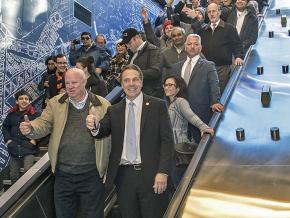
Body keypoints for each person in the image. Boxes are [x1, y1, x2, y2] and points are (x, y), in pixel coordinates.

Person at [19, 68, 111, 218]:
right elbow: (43, 124)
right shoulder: (56, 103)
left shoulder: (103, 104)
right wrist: (31, 129)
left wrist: (109, 170)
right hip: (63, 176)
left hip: (92, 175)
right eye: (67, 83)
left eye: (74, 82)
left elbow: (111, 136)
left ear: (84, 82)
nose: (70, 86)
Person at [86, 64, 174, 218]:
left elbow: (167, 141)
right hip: (124, 177)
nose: (131, 84)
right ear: (121, 84)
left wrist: (163, 172)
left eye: (135, 80)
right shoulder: (114, 110)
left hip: (152, 175)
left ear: (141, 82)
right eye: (126, 80)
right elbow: (101, 130)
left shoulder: (157, 105)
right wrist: (94, 125)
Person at [163, 75, 214, 187]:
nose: (167, 87)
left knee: (180, 183)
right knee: (176, 183)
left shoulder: (180, 101)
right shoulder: (168, 104)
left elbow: (190, 115)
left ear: (178, 88)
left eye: (170, 85)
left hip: (179, 149)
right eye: (165, 85)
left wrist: (203, 127)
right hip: (170, 150)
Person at [171, 34, 223, 142]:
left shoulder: (208, 65)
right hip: (179, 116)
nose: (192, 46)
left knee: (199, 145)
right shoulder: (176, 67)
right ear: (185, 47)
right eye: (189, 44)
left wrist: (215, 101)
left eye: (196, 44)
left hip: (199, 113)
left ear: (200, 47)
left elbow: (214, 84)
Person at [198, 2, 245, 93]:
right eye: (209, 12)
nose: (212, 14)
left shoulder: (229, 28)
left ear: (219, 12)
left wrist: (239, 56)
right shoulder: (202, 31)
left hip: (223, 69)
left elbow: (237, 45)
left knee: (221, 94)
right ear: (207, 14)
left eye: (214, 11)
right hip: (206, 69)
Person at [2, 90, 39, 183]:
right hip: (14, 149)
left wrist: (35, 140)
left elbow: (42, 129)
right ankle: (17, 197)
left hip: (28, 149)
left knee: (28, 172)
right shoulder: (11, 114)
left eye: (26, 99)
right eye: (21, 98)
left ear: (30, 101)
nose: (24, 100)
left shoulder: (35, 114)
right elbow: (5, 127)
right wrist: (8, 140)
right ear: (17, 101)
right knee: (13, 175)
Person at [122, 28, 163, 98]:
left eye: (129, 43)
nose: (128, 47)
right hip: (136, 95)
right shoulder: (132, 53)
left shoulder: (153, 50)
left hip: (150, 95)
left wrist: (135, 74)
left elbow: (156, 71)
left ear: (137, 37)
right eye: (126, 44)